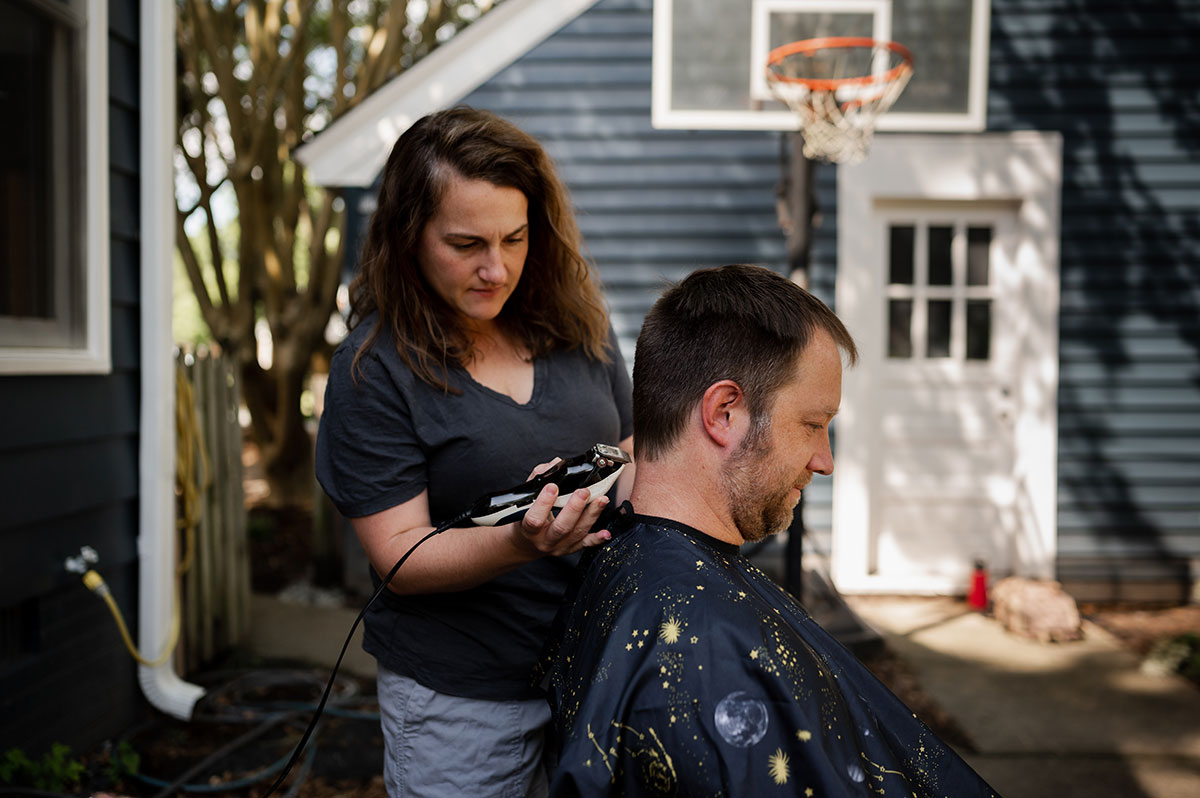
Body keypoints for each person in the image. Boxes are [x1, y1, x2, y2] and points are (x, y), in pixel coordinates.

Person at [544, 264, 997, 796]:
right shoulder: (701, 652)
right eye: (812, 424)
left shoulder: (631, 567)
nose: (825, 460)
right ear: (725, 414)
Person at [316, 106, 633, 798]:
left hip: (596, 678)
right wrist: (523, 541)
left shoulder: (580, 327)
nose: (498, 269)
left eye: (515, 239)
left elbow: (632, 449)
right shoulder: (375, 369)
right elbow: (400, 555)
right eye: (466, 245)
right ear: (408, 238)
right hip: (459, 704)